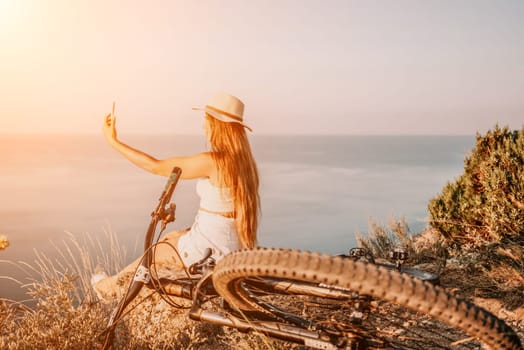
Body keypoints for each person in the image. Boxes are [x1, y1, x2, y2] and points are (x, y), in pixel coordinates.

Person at [93, 92, 260, 300]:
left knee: (154, 253)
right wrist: (184, 233)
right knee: (171, 237)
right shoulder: (247, 166)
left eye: (207, 122)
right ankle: (115, 282)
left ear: (218, 126)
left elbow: (155, 166)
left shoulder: (213, 162)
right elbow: (223, 214)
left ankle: (110, 287)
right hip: (231, 247)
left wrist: (113, 142)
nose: (203, 127)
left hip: (209, 251)